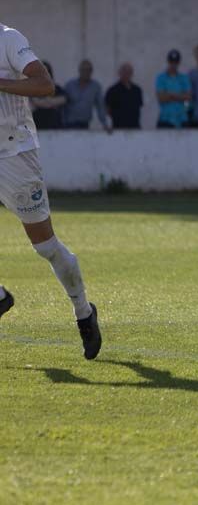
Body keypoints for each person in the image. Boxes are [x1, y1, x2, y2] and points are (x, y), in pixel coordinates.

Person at [0, 22, 101, 360]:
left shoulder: (8, 39)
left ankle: (84, 311)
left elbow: (45, 85)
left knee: (45, 247)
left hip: (16, 155)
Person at [62, 59, 108, 131]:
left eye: (89, 70)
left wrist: (105, 123)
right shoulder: (70, 85)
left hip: (84, 124)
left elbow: (100, 106)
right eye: (84, 70)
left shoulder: (96, 87)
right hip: (69, 124)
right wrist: (62, 123)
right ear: (79, 70)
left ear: (92, 71)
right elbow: (63, 105)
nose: (86, 72)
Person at [155, 49, 192, 129]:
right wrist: (180, 96)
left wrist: (170, 95)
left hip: (182, 119)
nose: (173, 64)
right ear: (168, 62)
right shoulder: (161, 78)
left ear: (179, 63)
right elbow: (161, 98)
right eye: (171, 62)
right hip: (165, 118)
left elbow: (188, 98)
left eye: (176, 62)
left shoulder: (184, 78)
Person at [104, 63, 143, 130]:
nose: (126, 74)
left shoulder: (137, 90)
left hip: (135, 127)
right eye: (124, 71)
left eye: (129, 72)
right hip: (118, 128)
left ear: (132, 74)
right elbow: (107, 109)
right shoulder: (112, 90)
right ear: (119, 73)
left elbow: (139, 107)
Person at [30, 61, 67, 130]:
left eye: (47, 72)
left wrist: (44, 102)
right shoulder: (33, 89)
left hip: (55, 127)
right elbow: (35, 102)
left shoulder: (57, 88)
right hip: (38, 127)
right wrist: (51, 102)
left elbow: (64, 99)